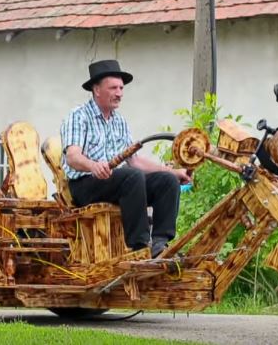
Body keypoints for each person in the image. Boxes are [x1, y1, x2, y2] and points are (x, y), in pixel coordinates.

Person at [60, 59, 191, 258]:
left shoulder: (119, 121)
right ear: (96, 90)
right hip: (85, 184)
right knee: (132, 176)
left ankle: (160, 244)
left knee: (167, 182)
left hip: (118, 182)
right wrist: (93, 166)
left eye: (121, 88)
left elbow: (135, 161)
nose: (119, 93)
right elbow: (72, 157)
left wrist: (173, 172)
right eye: (113, 88)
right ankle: (139, 246)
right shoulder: (78, 116)